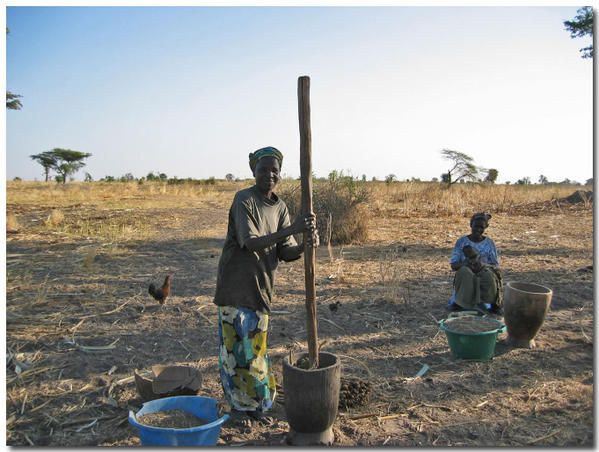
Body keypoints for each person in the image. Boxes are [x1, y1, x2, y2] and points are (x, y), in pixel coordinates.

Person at [213, 146, 319, 422]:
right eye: (263, 169)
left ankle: (255, 405)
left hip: (261, 287)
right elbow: (249, 242)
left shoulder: (280, 207)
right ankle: (239, 408)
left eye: (275, 170)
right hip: (236, 286)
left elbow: (286, 251)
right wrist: (293, 229)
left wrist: (305, 245)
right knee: (237, 352)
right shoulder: (244, 200)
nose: (269, 175)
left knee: (255, 350)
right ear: (253, 171)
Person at [447, 212, 503, 314]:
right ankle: (461, 302)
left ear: (486, 227)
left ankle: (491, 302)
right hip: (467, 268)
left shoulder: (490, 243)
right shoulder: (462, 242)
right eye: (475, 226)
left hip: (484, 269)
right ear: (470, 224)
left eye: (481, 227)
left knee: (488, 274)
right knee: (465, 272)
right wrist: (466, 263)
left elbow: (496, 266)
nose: (478, 230)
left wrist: (483, 265)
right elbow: (454, 265)